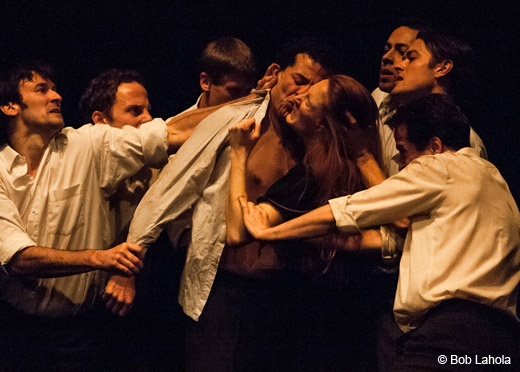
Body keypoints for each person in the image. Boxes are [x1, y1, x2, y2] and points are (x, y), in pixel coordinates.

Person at [104, 38, 341, 371]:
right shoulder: (230, 121)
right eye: (299, 81)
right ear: (275, 73)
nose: (303, 95)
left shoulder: (315, 136)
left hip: (287, 291)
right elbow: (169, 191)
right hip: (225, 288)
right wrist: (127, 267)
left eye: (315, 88)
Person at [241, 93, 520, 371]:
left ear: (434, 146)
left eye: (403, 151)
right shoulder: (494, 181)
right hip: (501, 346)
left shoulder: (441, 166)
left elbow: (350, 210)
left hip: (451, 337)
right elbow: (384, 241)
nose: (400, 164)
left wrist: (271, 233)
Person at [0, 63, 173, 371]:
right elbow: (17, 257)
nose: (56, 95)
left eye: (55, 88)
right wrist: (103, 258)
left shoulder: (84, 146)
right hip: (15, 329)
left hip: (90, 326)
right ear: (10, 105)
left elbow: (170, 133)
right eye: (42, 90)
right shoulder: (5, 170)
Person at [226, 74, 384, 370]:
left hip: (306, 327)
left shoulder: (310, 177)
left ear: (325, 123)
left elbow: (237, 232)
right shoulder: (364, 171)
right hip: (356, 328)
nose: (298, 99)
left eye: (309, 100)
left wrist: (238, 153)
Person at [374, 27, 487, 177]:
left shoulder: (465, 143)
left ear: (442, 68)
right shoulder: (392, 114)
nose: (399, 65)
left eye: (411, 58)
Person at [188, 36, 257, 110]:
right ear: (206, 82)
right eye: (234, 91)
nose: (243, 101)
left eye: (248, 91)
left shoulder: (252, 108)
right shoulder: (179, 121)